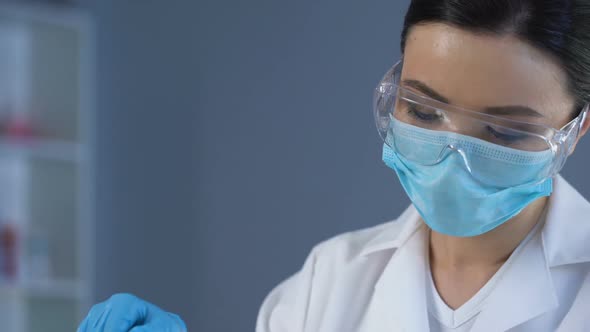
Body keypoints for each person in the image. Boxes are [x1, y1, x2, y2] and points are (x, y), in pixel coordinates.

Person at [78, 0, 590, 331]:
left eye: (504, 131)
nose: (451, 153)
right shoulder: (331, 279)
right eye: (424, 110)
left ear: (577, 126)